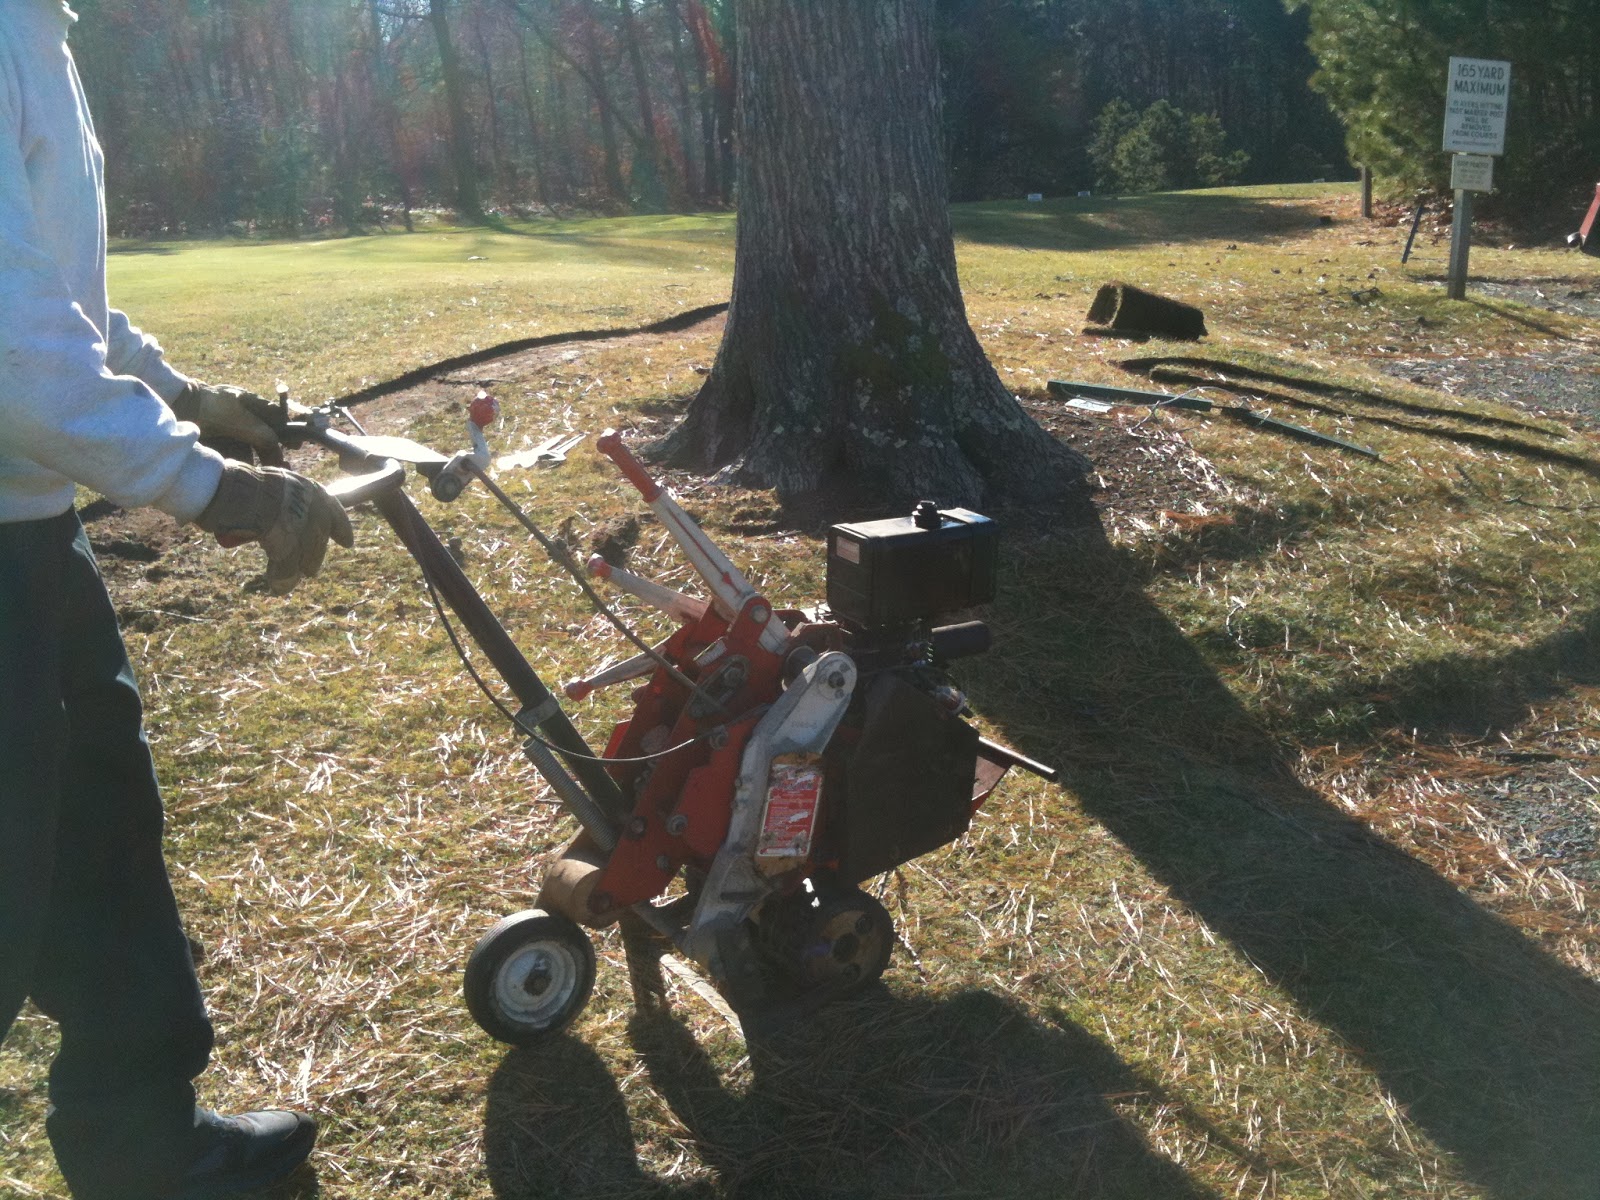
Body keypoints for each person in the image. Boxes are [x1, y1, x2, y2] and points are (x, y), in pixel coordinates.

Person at [1, 1, 355, 1195]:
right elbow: (10, 344)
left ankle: (141, 1149)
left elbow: (53, 291)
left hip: (35, 535)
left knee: (101, 832)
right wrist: (212, 490)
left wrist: (187, 391)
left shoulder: (35, 29)